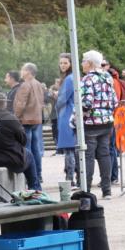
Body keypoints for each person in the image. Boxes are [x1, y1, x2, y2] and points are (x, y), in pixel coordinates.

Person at [79, 50, 118, 199]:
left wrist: (80, 112)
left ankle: (86, 190)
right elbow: (114, 101)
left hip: (91, 123)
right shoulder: (107, 77)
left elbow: (87, 102)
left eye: (83, 61)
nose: (82, 64)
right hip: (107, 122)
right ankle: (106, 190)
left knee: (88, 156)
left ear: (89, 63)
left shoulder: (87, 79)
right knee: (104, 154)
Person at [55, 53, 79, 187]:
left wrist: (56, 99)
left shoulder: (69, 79)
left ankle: (70, 179)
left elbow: (63, 98)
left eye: (65, 63)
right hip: (69, 113)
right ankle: (71, 177)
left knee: (69, 149)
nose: (63, 65)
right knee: (70, 149)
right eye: (61, 63)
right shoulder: (71, 78)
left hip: (67, 114)